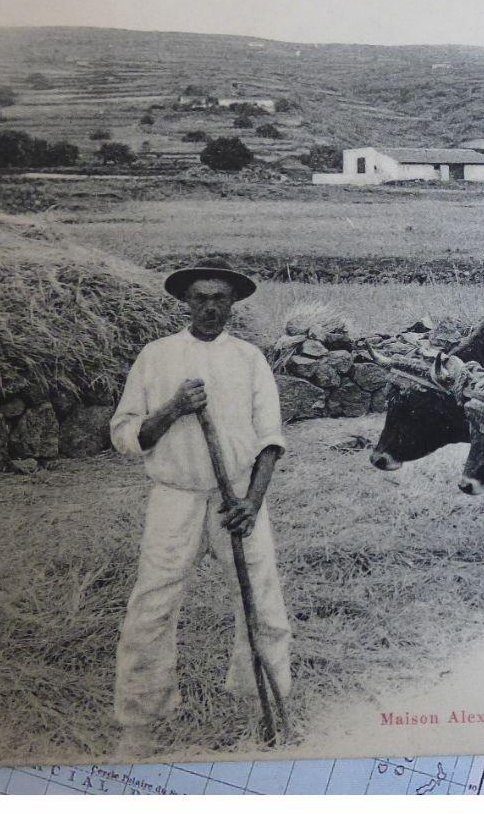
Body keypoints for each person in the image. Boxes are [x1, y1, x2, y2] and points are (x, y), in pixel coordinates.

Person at [109, 257, 291, 757]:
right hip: (176, 497)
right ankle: (141, 723)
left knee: (263, 606)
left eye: (220, 298)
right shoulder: (157, 356)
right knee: (152, 607)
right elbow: (127, 435)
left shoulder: (250, 359)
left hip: (236, 500)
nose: (210, 307)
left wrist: (251, 504)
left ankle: (263, 714)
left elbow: (270, 441)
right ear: (185, 302)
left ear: (233, 304)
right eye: (200, 298)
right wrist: (171, 409)